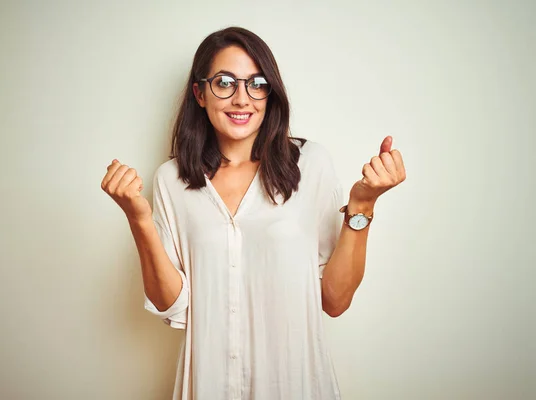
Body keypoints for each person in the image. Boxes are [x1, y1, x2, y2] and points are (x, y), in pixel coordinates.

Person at [101, 26, 406, 400]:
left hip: (295, 383)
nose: (242, 99)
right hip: (210, 383)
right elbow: (171, 303)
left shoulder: (310, 165)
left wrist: (362, 205)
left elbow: (335, 300)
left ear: (269, 93)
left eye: (256, 84)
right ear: (199, 93)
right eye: (224, 82)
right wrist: (138, 220)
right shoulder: (172, 179)